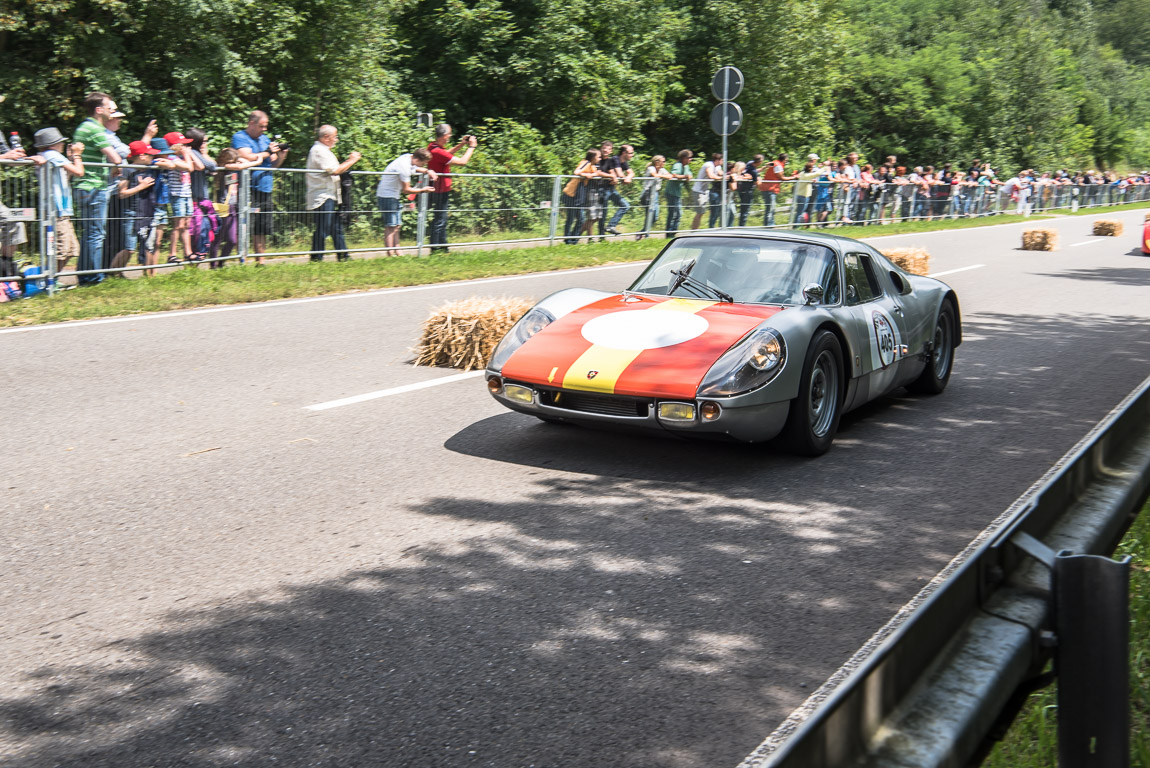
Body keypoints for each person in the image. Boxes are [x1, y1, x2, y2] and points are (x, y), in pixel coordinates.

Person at [72, 92, 125, 284]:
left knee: (90, 233)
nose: (113, 111)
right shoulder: (94, 129)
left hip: (88, 186)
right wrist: (117, 166)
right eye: (110, 107)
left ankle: (86, 275)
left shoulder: (88, 127)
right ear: (99, 110)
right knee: (95, 234)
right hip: (93, 187)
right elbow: (116, 157)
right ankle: (92, 278)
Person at [232, 110, 288, 265]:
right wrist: (267, 152)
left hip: (265, 188)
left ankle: (260, 261)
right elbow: (247, 156)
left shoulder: (265, 139)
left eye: (266, 126)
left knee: (262, 226)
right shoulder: (240, 137)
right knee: (245, 224)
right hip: (248, 188)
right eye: (262, 126)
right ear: (251, 123)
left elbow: (273, 163)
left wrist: (281, 155)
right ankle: (242, 260)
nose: (265, 129)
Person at [306, 125, 361, 262]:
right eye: (334, 137)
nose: (336, 140)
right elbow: (335, 170)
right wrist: (352, 160)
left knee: (336, 228)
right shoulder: (319, 150)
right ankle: (316, 258)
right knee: (323, 228)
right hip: (322, 196)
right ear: (326, 137)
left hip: (330, 195)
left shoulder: (324, 150)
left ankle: (343, 256)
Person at [33, 127, 83, 274]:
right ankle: (47, 282)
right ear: (54, 144)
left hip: (59, 210)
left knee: (71, 248)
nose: (63, 144)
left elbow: (66, 178)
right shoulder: (52, 154)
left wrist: (71, 159)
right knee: (62, 249)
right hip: (57, 210)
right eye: (61, 142)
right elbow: (79, 172)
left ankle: (51, 280)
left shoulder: (49, 156)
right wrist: (77, 155)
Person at [376, 148, 436, 258]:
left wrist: (427, 171)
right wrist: (423, 190)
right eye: (423, 163)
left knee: (397, 225)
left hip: (393, 195)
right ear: (417, 159)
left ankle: (398, 252)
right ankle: (390, 254)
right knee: (391, 226)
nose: (422, 165)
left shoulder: (408, 157)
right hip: (387, 195)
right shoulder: (404, 166)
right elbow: (406, 190)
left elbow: (415, 168)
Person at [426, 123, 476, 254]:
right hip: (440, 189)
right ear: (444, 136)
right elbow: (462, 162)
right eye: (449, 134)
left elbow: (446, 154)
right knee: (440, 219)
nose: (450, 137)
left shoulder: (433, 147)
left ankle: (443, 247)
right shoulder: (436, 150)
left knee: (441, 219)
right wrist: (471, 147)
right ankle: (436, 248)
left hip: (438, 188)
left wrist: (461, 144)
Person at [163, 131, 200, 263]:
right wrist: (186, 154)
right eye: (182, 145)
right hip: (177, 195)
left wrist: (189, 155)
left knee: (186, 224)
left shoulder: (183, 158)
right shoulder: (171, 159)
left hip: (186, 194)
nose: (186, 147)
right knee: (178, 225)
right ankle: (171, 254)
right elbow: (189, 168)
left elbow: (199, 166)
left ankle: (188, 252)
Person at [185, 128, 219, 260]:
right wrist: (204, 155)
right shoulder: (193, 152)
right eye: (203, 141)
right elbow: (211, 166)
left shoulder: (196, 153)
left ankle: (197, 257)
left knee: (203, 229)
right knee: (198, 229)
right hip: (194, 198)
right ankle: (193, 257)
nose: (206, 144)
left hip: (200, 198)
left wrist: (205, 154)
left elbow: (213, 168)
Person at [561, 149, 600, 245]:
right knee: (572, 218)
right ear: (592, 157)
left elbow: (597, 173)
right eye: (598, 157)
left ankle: (573, 239)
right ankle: (568, 240)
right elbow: (576, 171)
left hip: (579, 197)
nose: (599, 158)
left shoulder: (592, 166)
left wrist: (591, 174)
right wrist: (585, 174)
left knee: (580, 219)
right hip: (571, 195)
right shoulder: (585, 163)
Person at [600, 144, 635, 235]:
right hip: (603, 189)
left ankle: (611, 226)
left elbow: (631, 173)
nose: (632, 155)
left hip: (611, 189)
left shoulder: (624, 162)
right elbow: (619, 174)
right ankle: (601, 236)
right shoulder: (615, 159)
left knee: (625, 205)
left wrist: (628, 177)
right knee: (603, 213)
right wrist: (624, 178)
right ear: (624, 153)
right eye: (631, 153)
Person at [637, 154, 672, 239]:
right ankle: (646, 235)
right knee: (649, 214)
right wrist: (663, 176)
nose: (664, 163)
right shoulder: (651, 168)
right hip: (647, 194)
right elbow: (655, 175)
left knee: (655, 216)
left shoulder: (662, 169)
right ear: (657, 162)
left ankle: (642, 232)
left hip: (655, 193)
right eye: (663, 161)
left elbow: (670, 176)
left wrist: (662, 176)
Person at [691, 152, 722, 230]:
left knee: (701, 212)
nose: (723, 162)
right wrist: (722, 178)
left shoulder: (717, 167)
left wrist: (728, 175)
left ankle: (695, 230)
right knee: (699, 212)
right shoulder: (708, 165)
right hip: (698, 191)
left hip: (705, 191)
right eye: (722, 160)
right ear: (718, 160)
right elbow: (711, 175)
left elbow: (721, 173)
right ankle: (694, 231)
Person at [664, 149, 692, 237]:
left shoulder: (686, 166)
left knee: (679, 213)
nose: (690, 159)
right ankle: (669, 233)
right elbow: (674, 174)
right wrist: (685, 176)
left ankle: (673, 232)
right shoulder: (678, 165)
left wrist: (689, 176)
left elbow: (689, 175)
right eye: (689, 158)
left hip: (677, 193)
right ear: (684, 158)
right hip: (671, 192)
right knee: (672, 213)